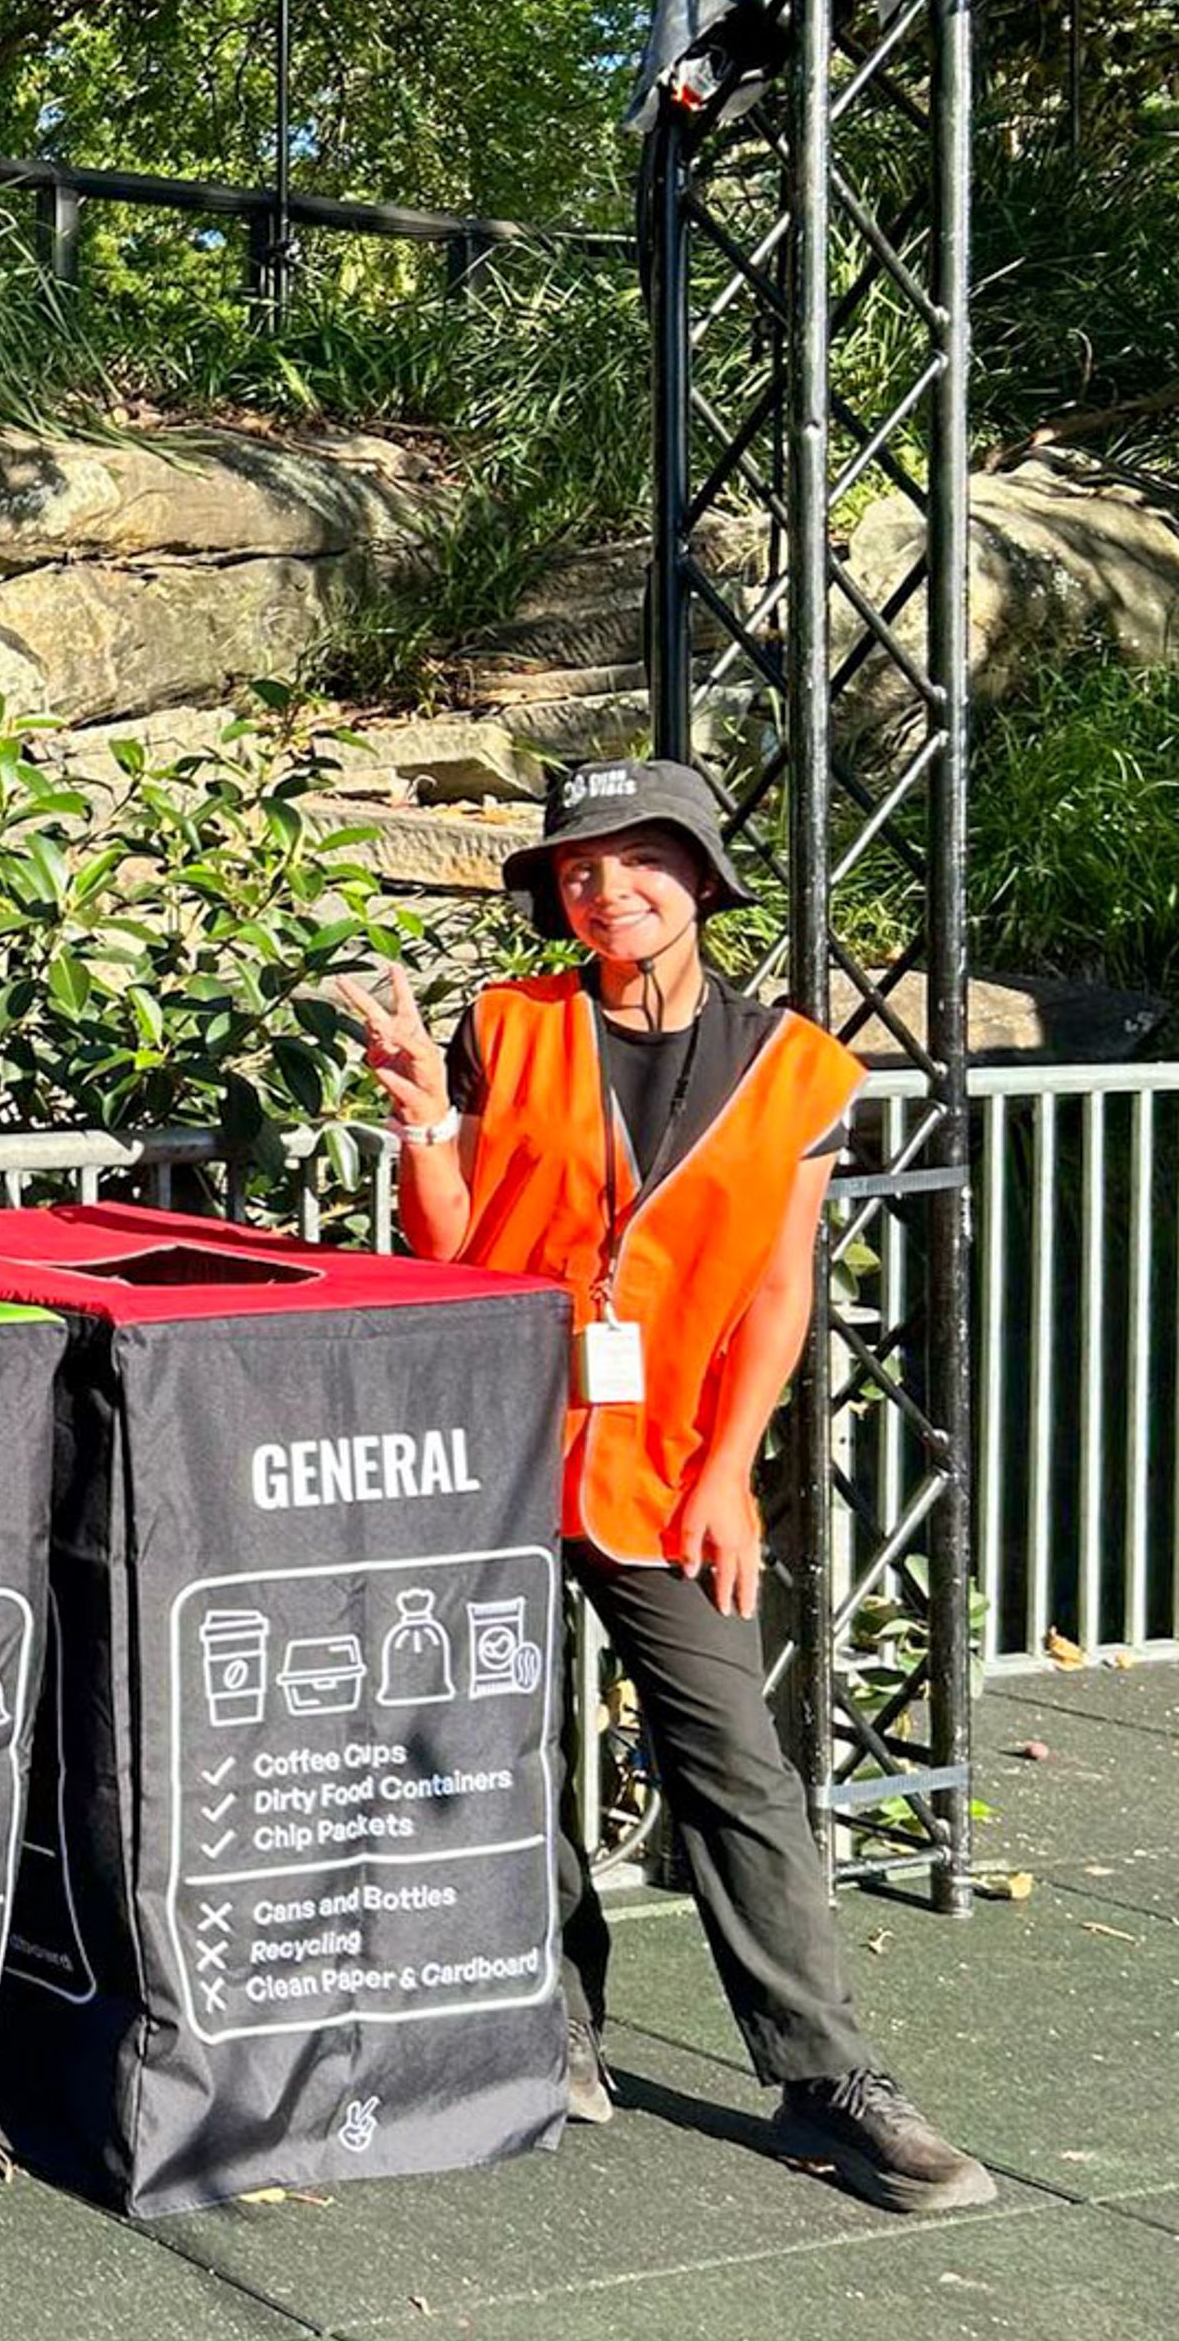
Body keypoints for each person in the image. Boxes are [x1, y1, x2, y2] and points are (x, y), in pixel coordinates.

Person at [339, 755, 992, 2219]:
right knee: (497, 1737)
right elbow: (444, 1254)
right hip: (491, 1444)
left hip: (662, 1471)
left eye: (638, 862)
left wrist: (733, 1475)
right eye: (577, 869)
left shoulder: (798, 1068)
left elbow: (775, 1291)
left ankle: (825, 2076)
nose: (604, 890)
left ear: (701, 878)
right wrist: (423, 1120)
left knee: (735, 1765)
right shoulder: (507, 1026)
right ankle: (559, 2019)